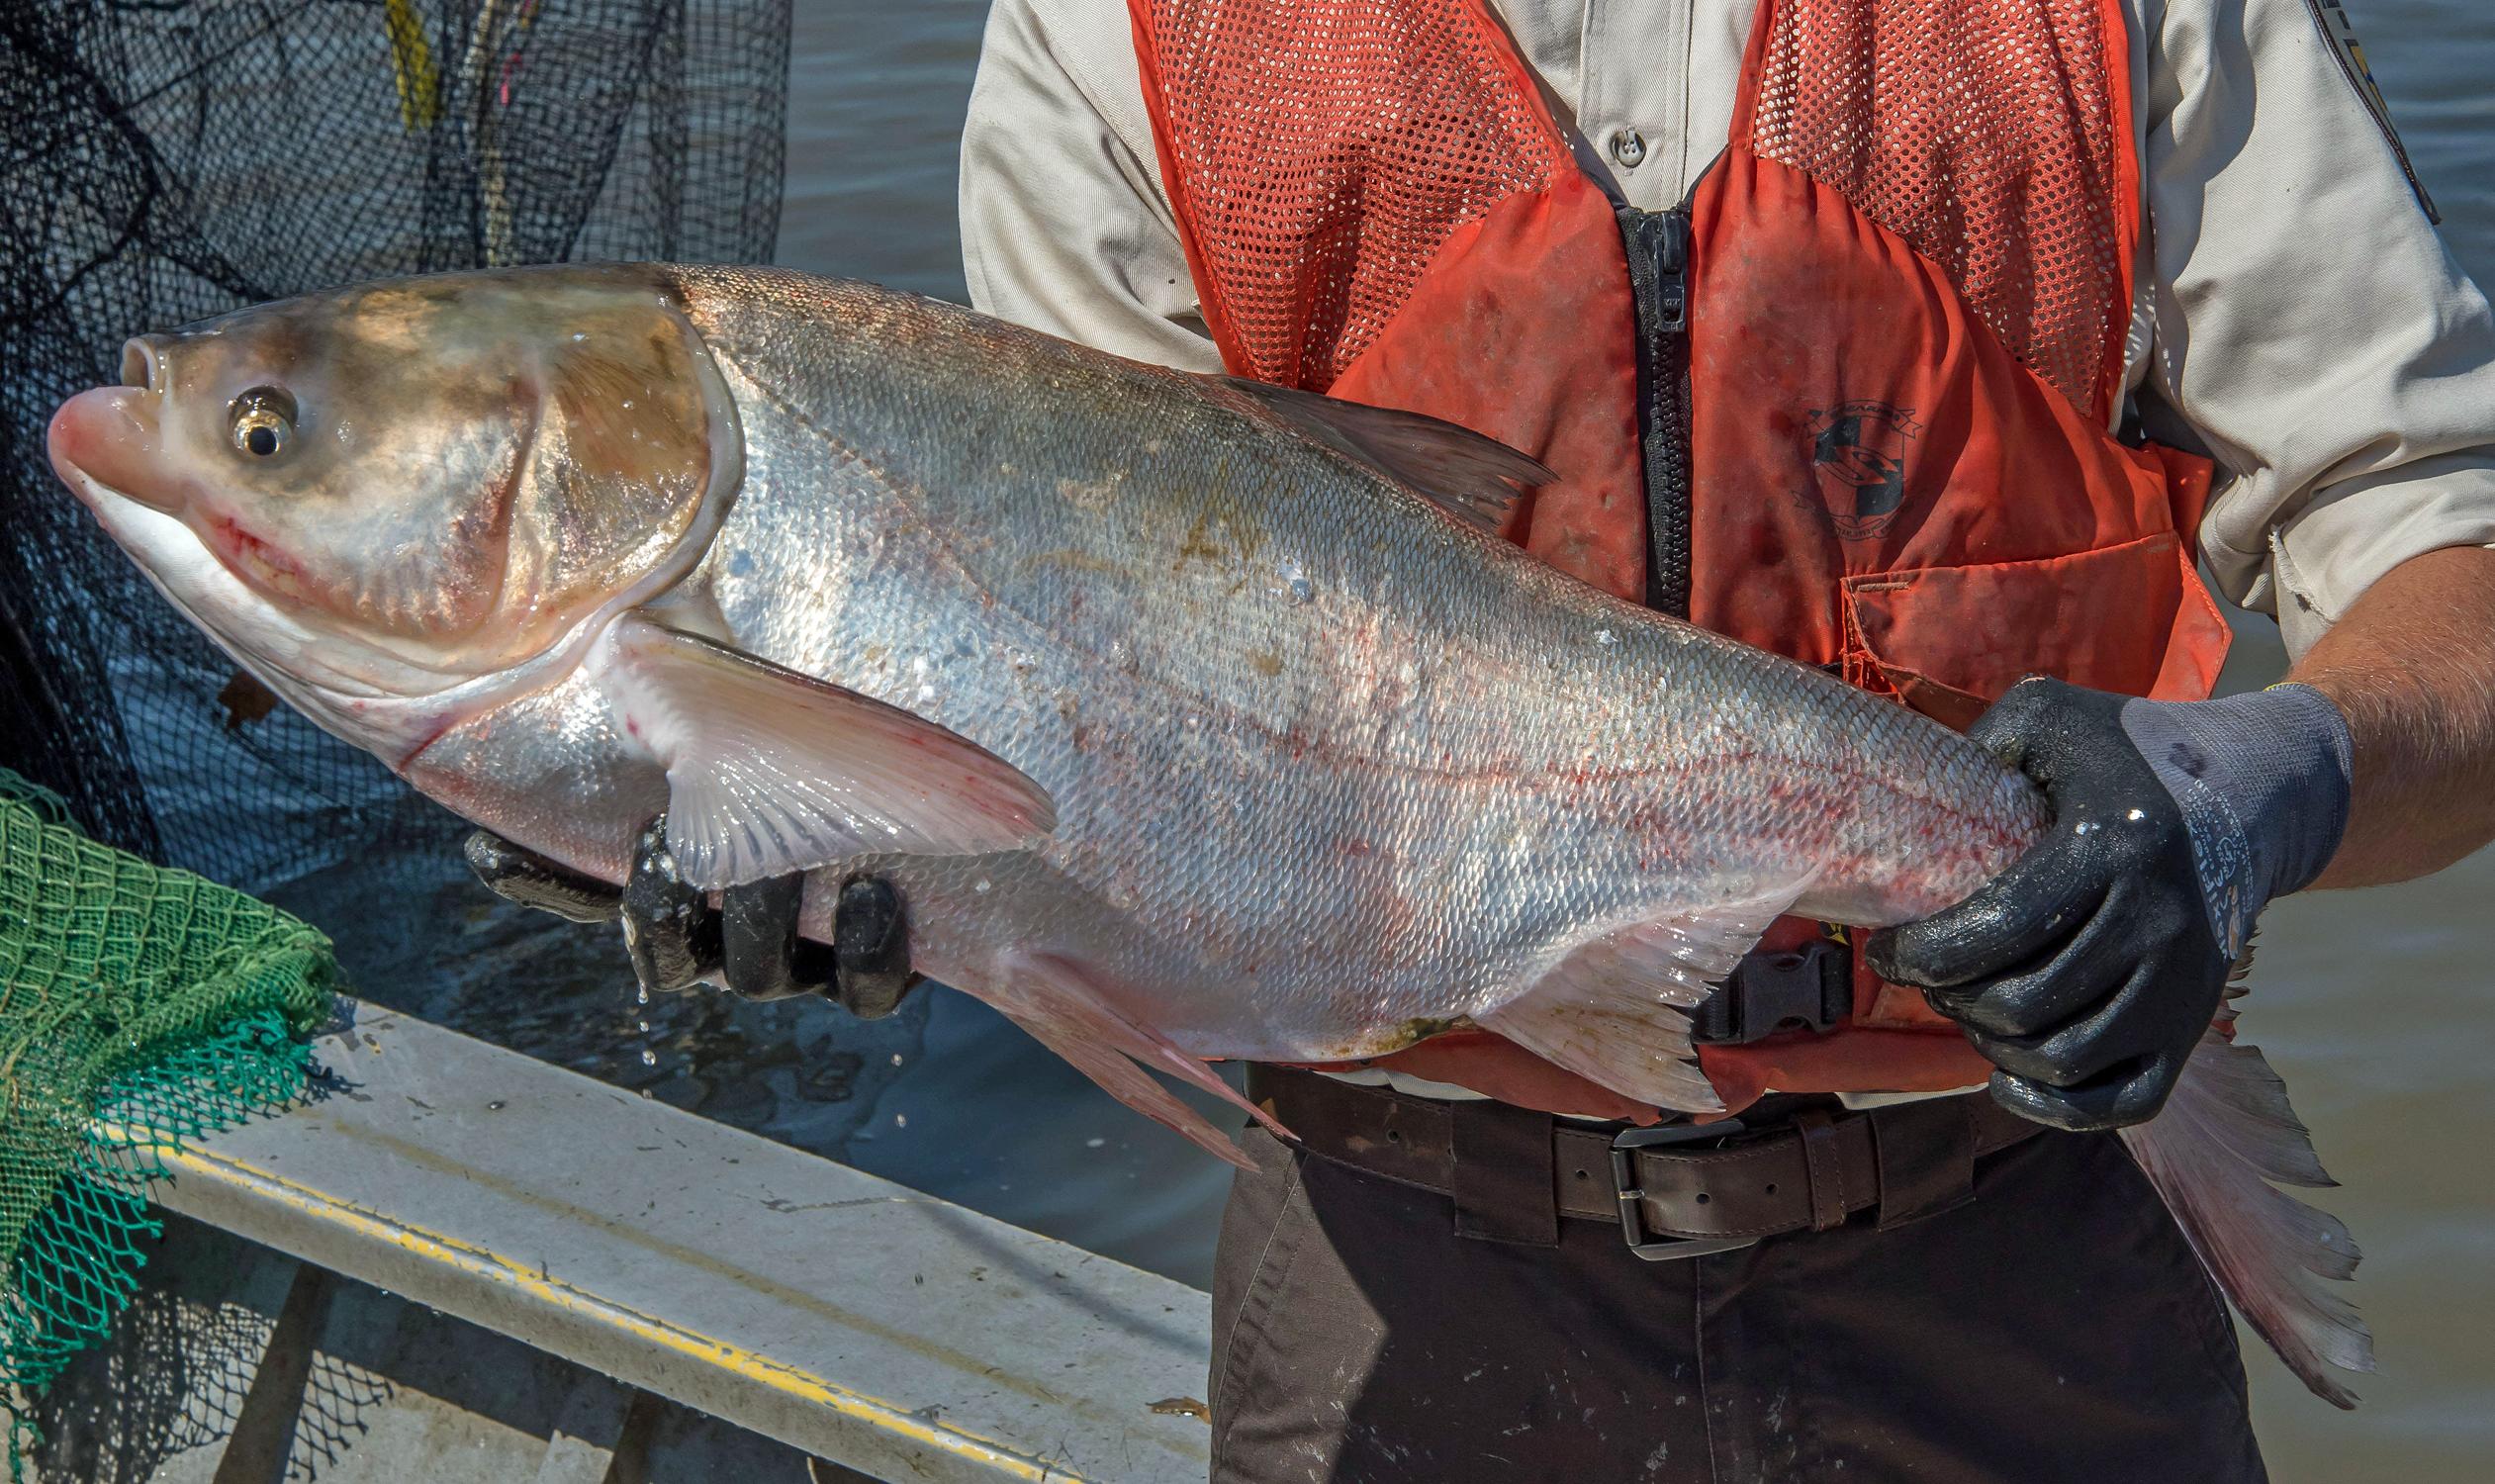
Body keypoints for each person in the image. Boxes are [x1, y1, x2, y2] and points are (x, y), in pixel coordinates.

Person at [479, 1, 2495, 1478]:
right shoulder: (1125, 39)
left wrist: (2262, 792)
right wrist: (820, 840)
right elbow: (1054, 697)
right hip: (1395, 1273)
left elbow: (2448, 540)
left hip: (2026, 1248)